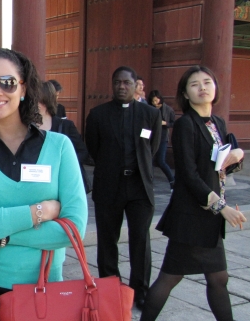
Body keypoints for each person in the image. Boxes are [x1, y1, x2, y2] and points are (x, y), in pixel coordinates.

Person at [0, 48, 87, 321]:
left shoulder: (59, 147)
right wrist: (38, 212)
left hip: (43, 289)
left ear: (23, 89)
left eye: (7, 82)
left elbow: (73, 230)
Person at [141, 66, 246, 321]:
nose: (202, 88)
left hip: (208, 214)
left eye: (207, 82)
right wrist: (222, 208)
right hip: (191, 215)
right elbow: (189, 174)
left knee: (216, 278)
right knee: (172, 277)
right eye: (194, 84)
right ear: (185, 94)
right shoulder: (185, 124)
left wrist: (238, 154)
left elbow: (221, 165)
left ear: (215, 88)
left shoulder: (217, 122)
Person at [85, 66, 162, 309]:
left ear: (135, 84)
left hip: (139, 186)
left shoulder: (150, 114)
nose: (121, 86)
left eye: (126, 82)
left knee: (141, 239)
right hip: (110, 185)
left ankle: (140, 291)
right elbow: (93, 148)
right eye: (117, 82)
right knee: (108, 240)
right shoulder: (98, 114)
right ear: (112, 84)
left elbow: (154, 148)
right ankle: (110, 288)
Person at [38, 81, 91, 193]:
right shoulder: (24, 127)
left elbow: (82, 152)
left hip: (63, 181)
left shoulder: (66, 126)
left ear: (47, 101)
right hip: (37, 183)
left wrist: (63, 165)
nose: (35, 105)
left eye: (39, 100)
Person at [147, 90, 175, 189]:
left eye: (156, 100)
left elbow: (173, 122)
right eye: (153, 101)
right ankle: (148, 183)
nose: (155, 103)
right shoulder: (149, 108)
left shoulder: (167, 109)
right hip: (151, 136)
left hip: (163, 137)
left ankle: (172, 181)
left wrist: (165, 123)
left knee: (161, 161)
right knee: (149, 160)